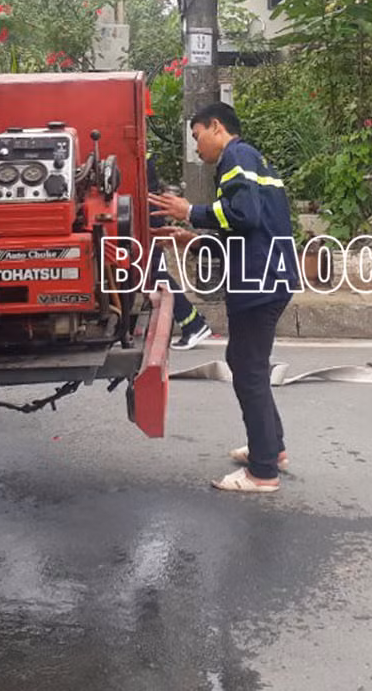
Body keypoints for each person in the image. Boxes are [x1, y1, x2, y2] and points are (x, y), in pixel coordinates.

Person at [147, 102, 295, 494]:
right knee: (248, 364)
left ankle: (263, 472)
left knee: (247, 368)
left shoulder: (236, 156)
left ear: (216, 127)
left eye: (197, 137)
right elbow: (246, 229)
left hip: (260, 281)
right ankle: (271, 449)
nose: (197, 148)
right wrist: (193, 240)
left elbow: (243, 214)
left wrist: (190, 211)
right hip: (266, 276)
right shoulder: (250, 160)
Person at [146, 147, 213, 349]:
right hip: (146, 207)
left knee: (153, 272)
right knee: (152, 272)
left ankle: (193, 324)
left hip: (145, 209)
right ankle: (192, 322)